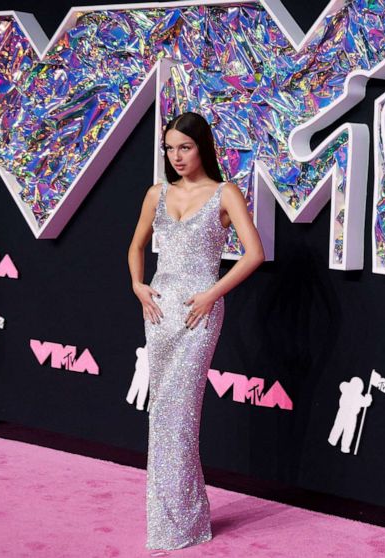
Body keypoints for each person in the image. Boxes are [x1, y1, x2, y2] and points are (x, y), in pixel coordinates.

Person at [127, 111, 265, 550]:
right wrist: (138, 286)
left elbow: (254, 253)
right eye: (170, 148)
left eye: (184, 147)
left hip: (199, 316)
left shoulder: (225, 194)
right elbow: (135, 247)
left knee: (180, 419)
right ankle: (179, 519)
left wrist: (211, 294)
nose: (177, 156)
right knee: (161, 417)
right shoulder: (157, 193)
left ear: (202, 147)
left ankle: (180, 524)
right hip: (161, 312)